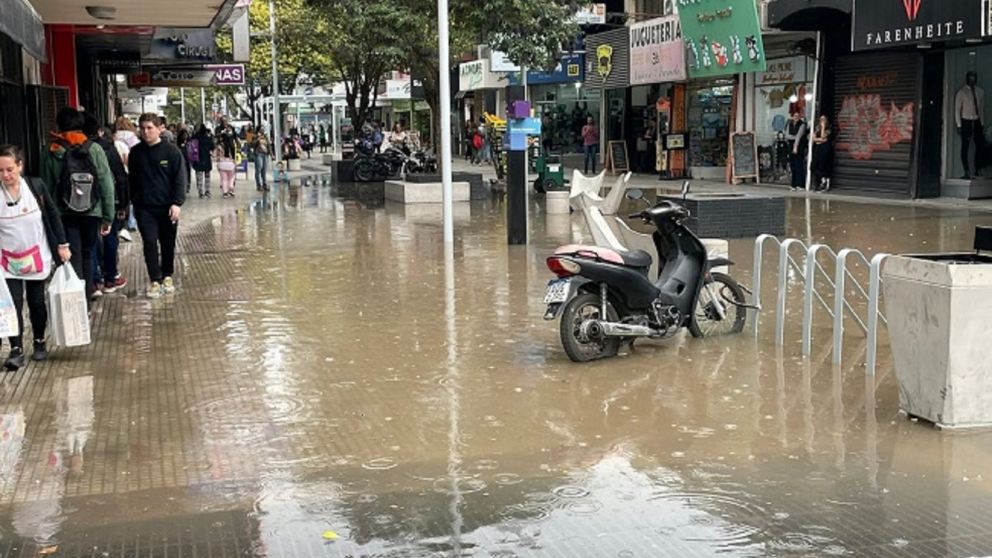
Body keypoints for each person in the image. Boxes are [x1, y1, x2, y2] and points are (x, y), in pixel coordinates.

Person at [0, 144, 71, 370]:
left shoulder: (35, 187)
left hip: (37, 256)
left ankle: (39, 342)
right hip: (7, 261)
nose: (5, 175)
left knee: (36, 302)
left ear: (20, 166)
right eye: (0, 171)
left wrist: (62, 244)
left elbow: (52, 214)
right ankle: (16, 349)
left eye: (10, 169)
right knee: (12, 305)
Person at [40, 107, 115, 304]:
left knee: (72, 254)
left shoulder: (52, 150)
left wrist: (47, 217)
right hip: (92, 210)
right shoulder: (94, 149)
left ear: (59, 125)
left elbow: (45, 188)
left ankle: (76, 300)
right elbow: (107, 184)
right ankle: (87, 295)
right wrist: (108, 216)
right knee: (88, 254)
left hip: (64, 213)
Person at [128, 113, 186, 299]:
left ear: (159, 128)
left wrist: (177, 203)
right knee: (150, 242)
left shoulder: (172, 152)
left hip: (167, 207)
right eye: (143, 128)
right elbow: (132, 180)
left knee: (168, 242)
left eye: (150, 128)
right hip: (145, 208)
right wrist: (132, 203)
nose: (146, 132)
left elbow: (180, 179)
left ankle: (167, 274)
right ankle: (155, 279)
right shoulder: (136, 153)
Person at [83, 119, 129, 296]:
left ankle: (94, 282)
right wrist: (123, 204)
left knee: (90, 242)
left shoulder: (67, 148)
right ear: (100, 131)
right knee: (110, 238)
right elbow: (120, 177)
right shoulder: (107, 148)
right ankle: (110, 277)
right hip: (109, 201)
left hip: (83, 205)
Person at [955, 71, 986, 179]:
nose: (972, 80)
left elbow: (981, 109)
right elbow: (957, 109)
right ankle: (966, 170)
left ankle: (977, 169)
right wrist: (959, 124)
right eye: (970, 78)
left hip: (976, 120)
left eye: (974, 78)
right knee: (965, 146)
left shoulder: (980, 91)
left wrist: (982, 123)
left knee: (979, 145)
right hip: (966, 120)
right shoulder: (962, 92)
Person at [785, 111, 808, 191]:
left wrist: (796, 146)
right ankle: (793, 184)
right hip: (790, 147)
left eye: (798, 116)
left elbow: (799, 136)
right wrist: (793, 137)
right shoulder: (789, 124)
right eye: (795, 115)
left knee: (799, 165)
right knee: (793, 165)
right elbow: (787, 136)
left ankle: (800, 184)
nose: (796, 117)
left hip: (799, 147)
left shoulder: (802, 124)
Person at [191, 125, 215, 199]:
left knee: (199, 176)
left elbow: (190, 147)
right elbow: (212, 147)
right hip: (206, 159)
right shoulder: (208, 138)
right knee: (207, 176)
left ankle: (200, 192)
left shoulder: (194, 138)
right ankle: (207, 191)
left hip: (197, 159)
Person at [811, 114, 833, 192]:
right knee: (813, 166)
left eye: (824, 119)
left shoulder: (829, 128)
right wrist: (820, 140)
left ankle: (824, 182)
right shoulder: (817, 128)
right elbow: (813, 138)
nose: (822, 121)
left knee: (822, 165)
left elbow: (824, 136)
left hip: (825, 149)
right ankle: (822, 180)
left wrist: (823, 127)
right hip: (817, 148)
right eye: (821, 119)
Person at [215, 133, 237, 198]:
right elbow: (234, 156)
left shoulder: (219, 146)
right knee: (231, 178)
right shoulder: (232, 146)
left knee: (224, 179)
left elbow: (216, 155)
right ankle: (231, 188)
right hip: (231, 164)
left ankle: (225, 192)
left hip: (222, 164)